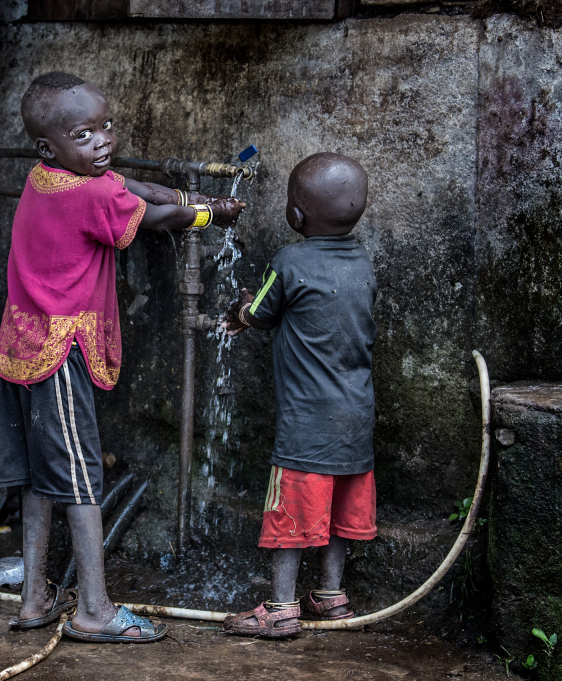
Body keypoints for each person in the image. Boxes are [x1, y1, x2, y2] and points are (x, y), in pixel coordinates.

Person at [0, 71, 243, 643]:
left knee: (37, 477)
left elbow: (129, 186)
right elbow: (148, 213)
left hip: (20, 345)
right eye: (85, 134)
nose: (103, 140)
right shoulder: (92, 194)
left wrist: (187, 197)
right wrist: (207, 213)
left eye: (106, 126)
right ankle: (94, 611)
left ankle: (34, 598)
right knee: (82, 480)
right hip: (61, 354)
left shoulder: (44, 178)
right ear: (49, 146)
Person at [220, 152, 376, 638]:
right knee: (336, 514)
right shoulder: (363, 260)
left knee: (289, 514)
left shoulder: (290, 261)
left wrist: (241, 310)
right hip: (357, 417)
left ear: (294, 214)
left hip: (306, 423)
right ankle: (331, 597)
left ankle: (281, 607)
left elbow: (262, 312)